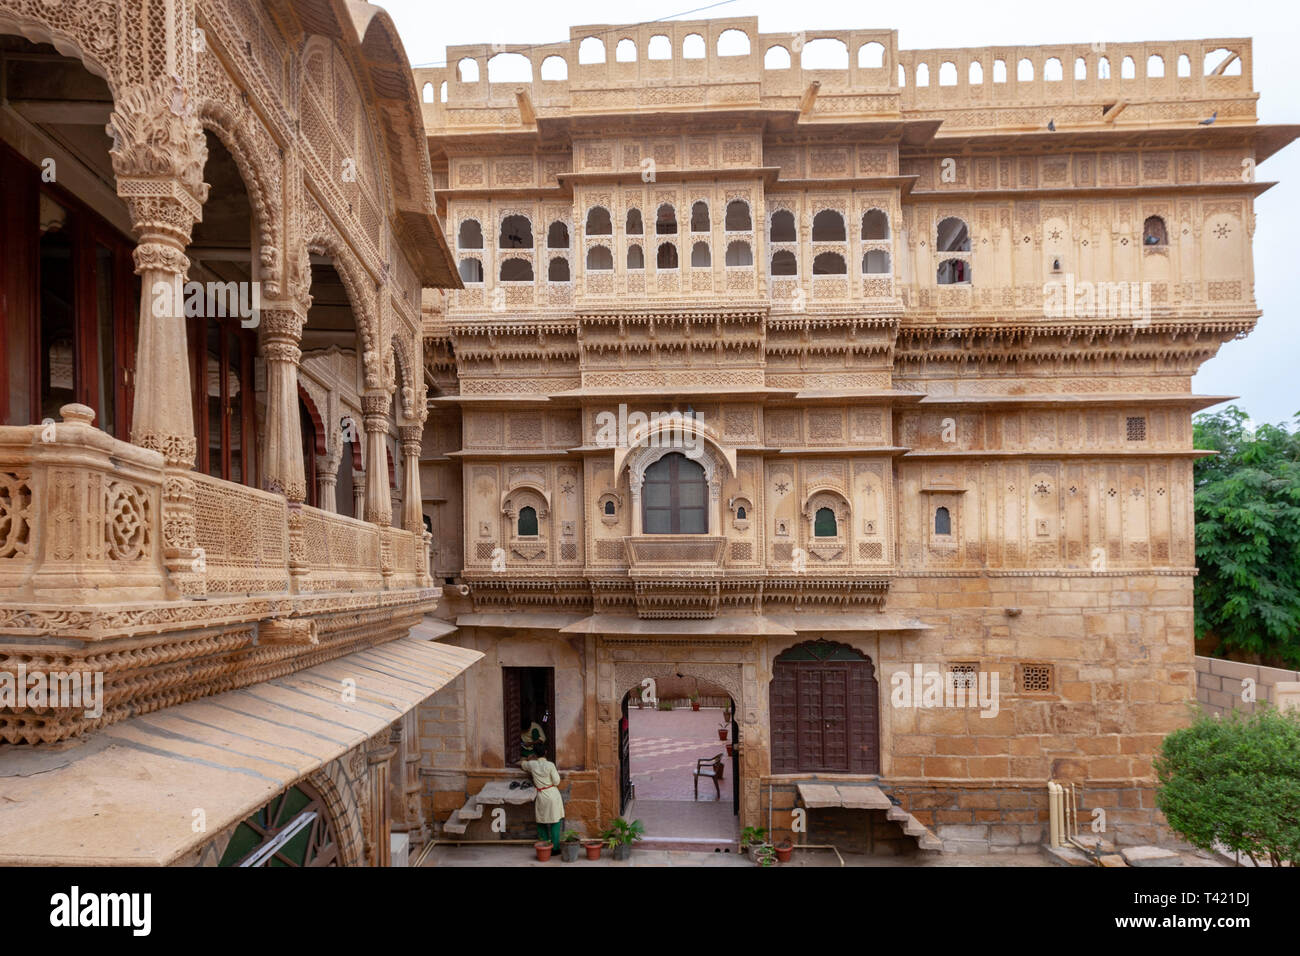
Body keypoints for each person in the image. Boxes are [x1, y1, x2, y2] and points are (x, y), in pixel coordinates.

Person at [520, 741, 564, 854]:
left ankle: (545, 846)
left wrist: (528, 758)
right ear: (546, 752)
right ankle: (555, 848)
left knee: (541, 821)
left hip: (541, 795)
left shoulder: (532, 765)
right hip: (552, 794)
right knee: (555, 821)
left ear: (535, 753)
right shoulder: (550, 765)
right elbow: (557, 781)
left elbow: (522, 764)